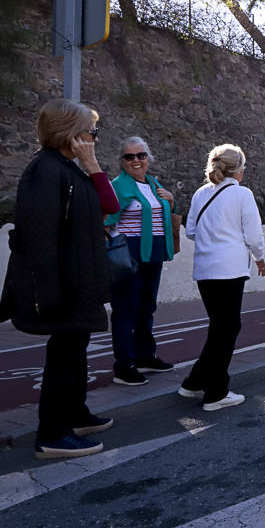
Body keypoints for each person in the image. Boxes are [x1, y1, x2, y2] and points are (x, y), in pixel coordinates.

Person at [0, 99, 119, 459]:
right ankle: (52, 433)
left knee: (75, 351)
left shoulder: (70, 168)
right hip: (63, 283)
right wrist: (48, 289)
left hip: (79, 279)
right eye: (91, 131)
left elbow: (110, 206)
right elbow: (38, 236)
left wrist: (92, 163)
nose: (94, 137)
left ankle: (75, 415)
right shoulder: (44, 171)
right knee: (64, 356)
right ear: (71, 132)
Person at [181, 144, 265, 412]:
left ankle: (194, 382)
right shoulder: (243, 194)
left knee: (220, 327)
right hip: (230, 271)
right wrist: (259, 257)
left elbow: (191, 231)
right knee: (227, 329)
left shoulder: (200, 193)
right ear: (238, 169)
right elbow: (253, 235)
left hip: (205, 271)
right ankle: (216, 392)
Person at [103, 137, 177, 387]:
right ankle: (124, 366)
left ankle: (146, 356)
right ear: (122, 161)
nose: (136, 161)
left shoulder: (154, 183)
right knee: (125, 311)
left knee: (146, 307)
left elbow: (162, 213)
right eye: (129, 157)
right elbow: (104, 220)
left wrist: (170, 200)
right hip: (129, 254)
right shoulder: (117, 187)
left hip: (153, 253)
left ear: (149, 158)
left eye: (141, 155)